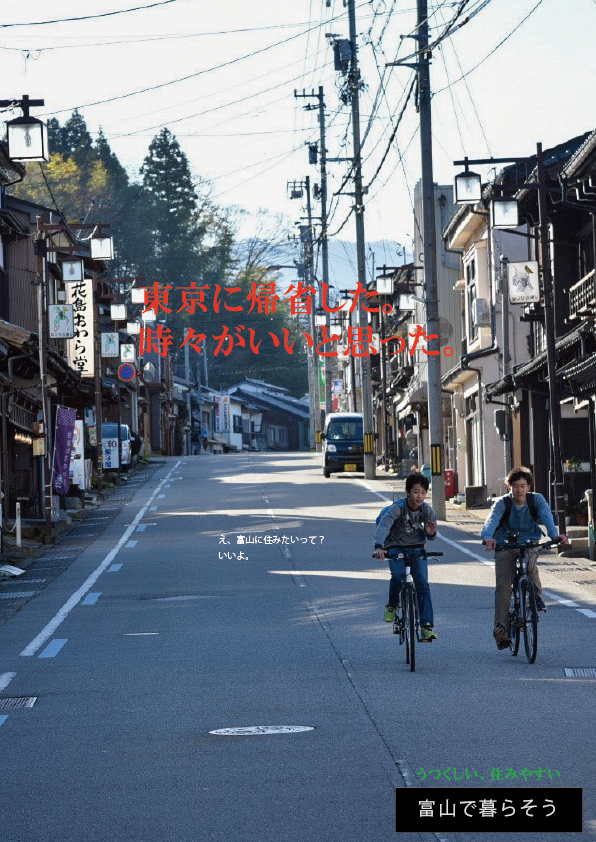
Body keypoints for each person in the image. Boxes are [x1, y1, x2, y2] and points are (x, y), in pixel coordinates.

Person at [481, 466, 569, 650]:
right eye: (515, 486)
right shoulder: (502, 503)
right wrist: (488, 537)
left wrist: (555, 535)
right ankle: (501, 629)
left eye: (522, 486)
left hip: (529, 541)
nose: (519, 490)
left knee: (530, 566)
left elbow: (547, 517)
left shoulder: (536, 500)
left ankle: (536, 597)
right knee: (504, 585)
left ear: (529, 486)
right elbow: (492, 521)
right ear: (509, 487)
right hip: (504, 543)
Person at [374, 472, 438, 641]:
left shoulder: (427, 510)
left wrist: (430, 533)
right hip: (394, 547)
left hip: (416, 548)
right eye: (416, 491)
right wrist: (379, 547)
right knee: (399, 576)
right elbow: (384, 526)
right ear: (408, 492)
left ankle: (426, 626)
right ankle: (392, 605)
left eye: (423, 492)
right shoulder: (398, 508)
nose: (420, 496)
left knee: (422, 584)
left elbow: (431, 535)